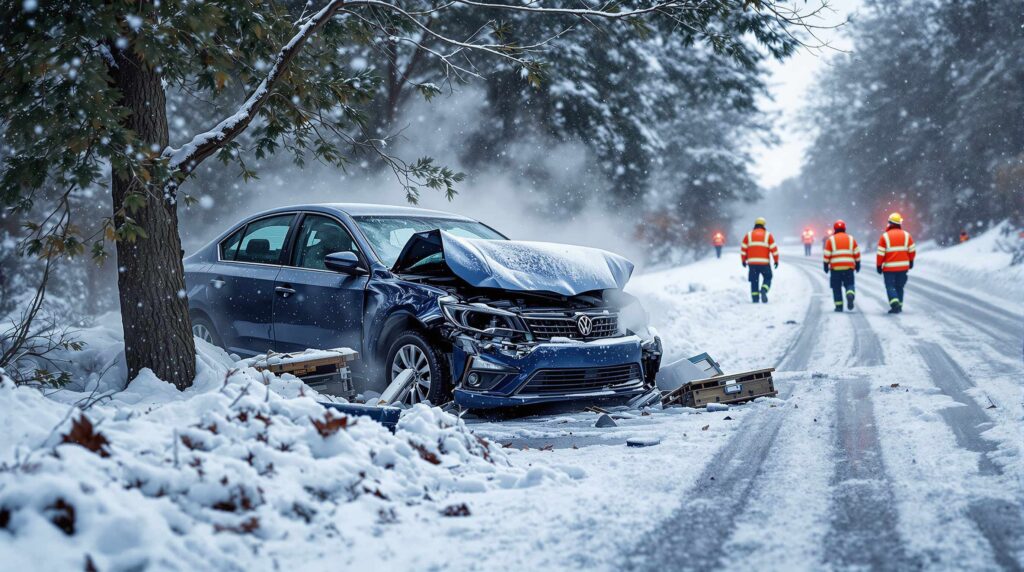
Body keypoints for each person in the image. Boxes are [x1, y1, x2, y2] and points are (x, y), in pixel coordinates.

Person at [876, 212, 916, 314]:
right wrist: (911, 261)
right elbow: (912, 250)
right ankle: (899, 306)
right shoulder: (907, 236)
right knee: (899, 287)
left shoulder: (884, 237)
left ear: (889, 223)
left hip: (889, 269)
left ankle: (894, 303)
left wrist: (879, 265)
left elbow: (880, 253)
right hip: (903, 268)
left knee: (890, 286)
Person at [822, 220, 861, 312]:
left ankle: (839, 306)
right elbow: (857, 253)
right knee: (849, 284)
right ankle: (850, 293)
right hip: (849, 268)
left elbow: (827, 254)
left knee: (836, 287)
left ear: (834, 229)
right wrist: (858, 264)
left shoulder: (830, 240)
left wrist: (825, 265)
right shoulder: (851, 239)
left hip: (835, 269)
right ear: (844, 228)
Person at [740, 217, 779, 304]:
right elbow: (774, 250)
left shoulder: (748, 235)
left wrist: (743, 260)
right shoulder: (768, 235)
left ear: (755, 225)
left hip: (752, 263)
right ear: (764, 225)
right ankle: (764, 289)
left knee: (754, 280)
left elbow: (743, 249)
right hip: (764, 263)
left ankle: (755, 298)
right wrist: (776, 261)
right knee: (768, 277)